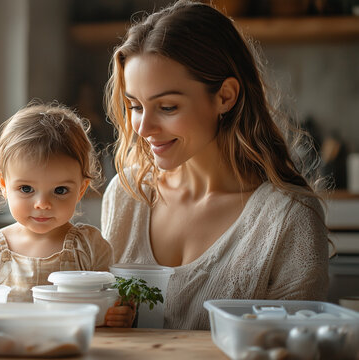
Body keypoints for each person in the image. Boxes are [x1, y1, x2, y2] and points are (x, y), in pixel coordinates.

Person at [102, 0, 330, 329]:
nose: (143, 127)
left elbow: (294, 347)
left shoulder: (289, 220)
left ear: (225, 96)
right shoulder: (126, 195)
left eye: (167, 107)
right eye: (135, 106)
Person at [0, 101, 113, 302]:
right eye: (26, 189)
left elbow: (110, 297)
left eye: (60, 190)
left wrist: (118, 311)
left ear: (81, 189)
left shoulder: (89, 246)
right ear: (3, 184)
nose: (42, 204)